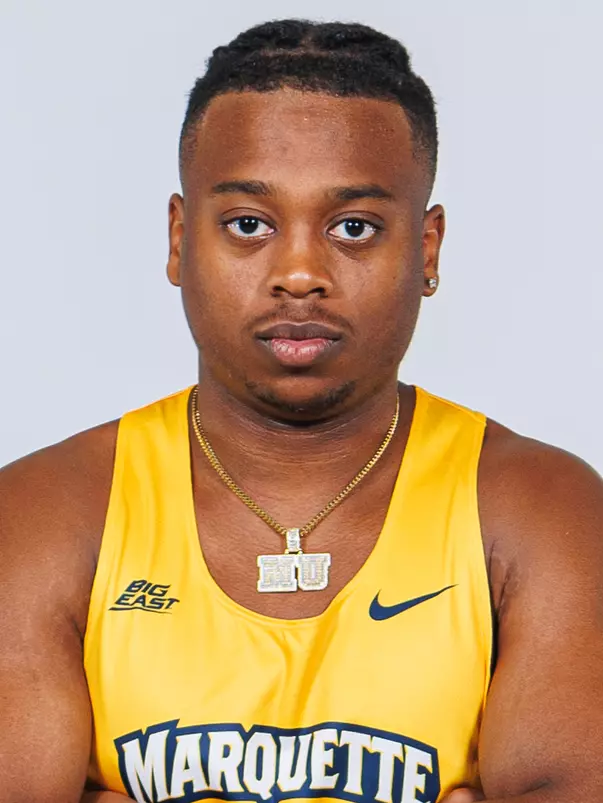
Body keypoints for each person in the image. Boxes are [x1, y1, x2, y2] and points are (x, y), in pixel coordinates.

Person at [1, 17, 602, 803]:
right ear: (181, 240)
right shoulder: (45, 513)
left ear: (425, 251)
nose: (298, 273)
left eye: (353, 227)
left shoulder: (537, 511)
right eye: (248, 224)